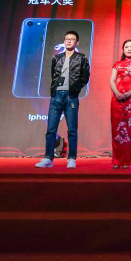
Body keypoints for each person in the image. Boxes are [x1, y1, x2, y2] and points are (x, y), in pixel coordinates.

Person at [35, 30, 90, 169]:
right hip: (56, 96)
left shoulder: (82, 58)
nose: (69, 41)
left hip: (71, 96)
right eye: (67, 39)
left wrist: (75, 89)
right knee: (51, 129)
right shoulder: (57, 58)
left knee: (72, 129)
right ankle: (48, 158)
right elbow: (53, 75)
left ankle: (71, 159)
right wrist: (55, 90)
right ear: (64, 41)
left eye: (72, 39)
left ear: (77, 42)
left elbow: (85, 77)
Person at [110, 40, 131, 169]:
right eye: (126, 47)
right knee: (116, 129)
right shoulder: (117, 64)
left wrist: (130, 92)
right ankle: (116, 161)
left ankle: (126, 161)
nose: (129, 49)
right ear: (123, 49)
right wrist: (116, 93)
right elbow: (112, 80)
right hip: (117, 98)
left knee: (130, 129)